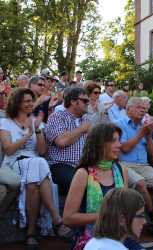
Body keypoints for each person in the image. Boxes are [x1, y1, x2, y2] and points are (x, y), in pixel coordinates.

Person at [0, 88, 71, 249]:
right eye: (26, 101)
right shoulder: (6, 122)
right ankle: (56, 220)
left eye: (32, 101)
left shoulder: (35, 123)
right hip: (14, 163)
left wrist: (37, 130)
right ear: (17, 103)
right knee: (38, 164)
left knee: (36, 172)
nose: (30, 104)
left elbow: (42, 151)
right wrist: (27, 134)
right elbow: (9, 150)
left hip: (34, 164)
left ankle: (31, 233)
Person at [63, 123, 128, 249]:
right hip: (89, 239)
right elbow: (68, 218)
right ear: (100, 144)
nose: (119, 145)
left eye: (119, 140)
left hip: (118, 236)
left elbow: (125, 207)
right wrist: (105, 216)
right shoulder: (83, 174)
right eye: (114, 141)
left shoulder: (121, 170)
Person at [115, 97, 153, 217]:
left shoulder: (143, 127)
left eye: (144, 108)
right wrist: (141, 133)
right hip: (125, 164)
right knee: (140, 183)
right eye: (138, 107)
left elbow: (152, 155)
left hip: (144, 166)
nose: (142, 110)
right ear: (128, 109)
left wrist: (148, 136)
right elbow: (125, 149)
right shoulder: (119, 125)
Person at [45, 87, 90, 194]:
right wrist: (82, 129)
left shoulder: (86, 119)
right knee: (83, 185)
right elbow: (61, 141)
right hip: (61, 165)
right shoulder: (57, 117)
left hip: (83, 166)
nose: (88, 103)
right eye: (85, 101)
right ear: (73, 101)